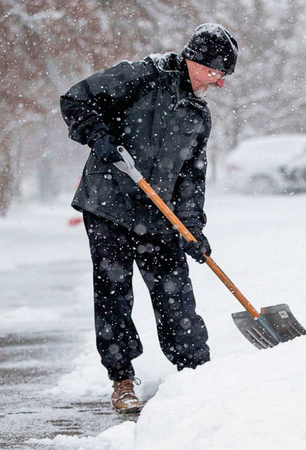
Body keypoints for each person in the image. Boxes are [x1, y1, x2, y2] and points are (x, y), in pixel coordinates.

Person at [60, 24, 238, 413]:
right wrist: (99, 137)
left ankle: (195, 371)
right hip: (107, 204)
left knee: (175, 292)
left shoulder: (197, 114)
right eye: (216, 72)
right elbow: (76, 100)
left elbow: (192, 177)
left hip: (159, 215)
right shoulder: (144, 77)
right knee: (113, 292)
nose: (220, 82)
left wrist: (192, 228)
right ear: (196, 60)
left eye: (223, 75)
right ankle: (121, 379)